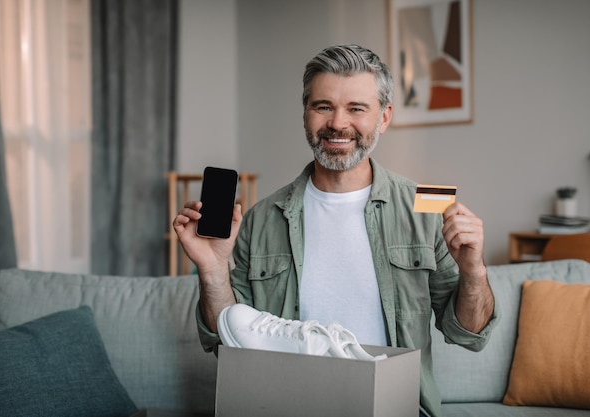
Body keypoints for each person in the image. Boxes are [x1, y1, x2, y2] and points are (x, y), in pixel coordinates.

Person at [172, 44, 498, 417]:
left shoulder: (428, 206)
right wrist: (213, 271)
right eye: (323, 106)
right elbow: (224, 342)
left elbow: (468, 335)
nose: (338, 123)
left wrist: (475, 271)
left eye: (356, 109)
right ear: (306, 113)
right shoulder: (261, 218)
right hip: (284, 408)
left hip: (398, 409)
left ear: (384, 117)